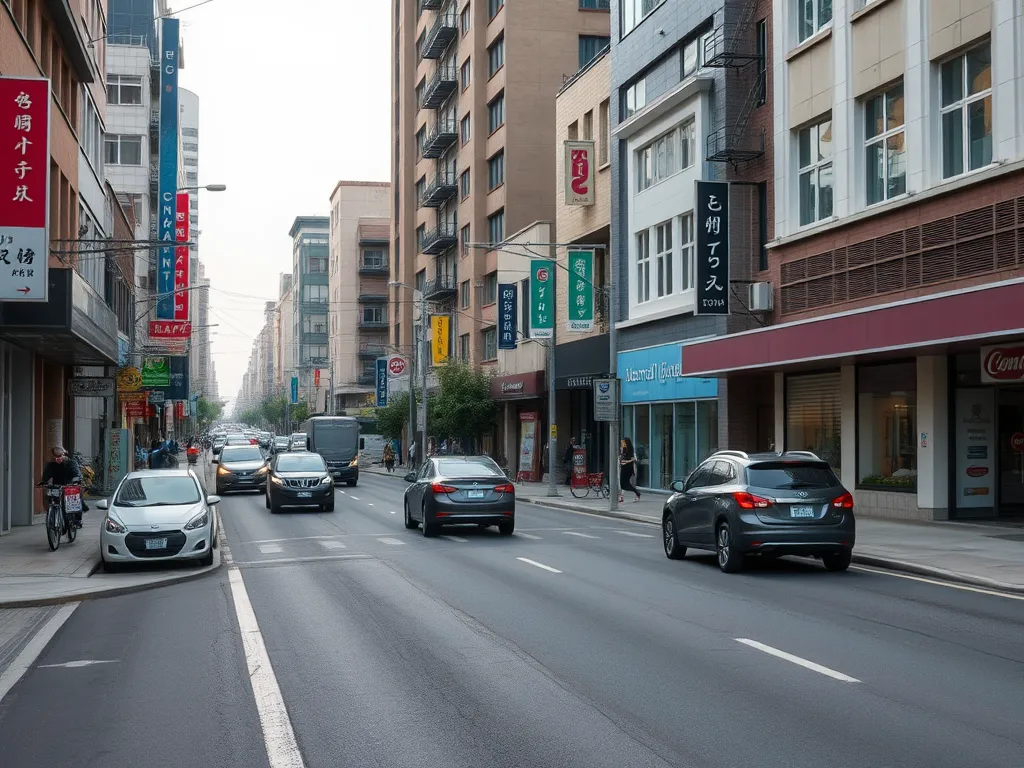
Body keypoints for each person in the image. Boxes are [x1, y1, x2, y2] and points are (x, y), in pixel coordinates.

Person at [40, 447, 88, 518]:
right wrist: (44, 482)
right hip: (57, 487)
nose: (58, 458)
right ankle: (51, 516)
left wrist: (76, 480)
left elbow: (77, 474)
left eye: (60, 456)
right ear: (53, 456)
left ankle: (76, 518)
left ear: (64, 454)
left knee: (74, 501)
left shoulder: (71, 463)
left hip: (70, 486)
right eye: (56, 456)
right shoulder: (51, 465)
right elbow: (45, 477)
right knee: (50, 498)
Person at [618, 437, 641, 504]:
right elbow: (621, 458)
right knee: (623, 483)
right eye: (621, 442)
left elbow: (634, 459)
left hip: (628, 468)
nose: (622, 444)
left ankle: (636, 493)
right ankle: (635, 493)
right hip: (623, 467)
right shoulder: (623, 449)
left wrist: (626, 462)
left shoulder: (630, 450)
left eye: (623, 442)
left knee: (624, 483)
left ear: (626, 442)